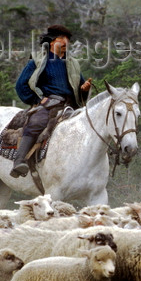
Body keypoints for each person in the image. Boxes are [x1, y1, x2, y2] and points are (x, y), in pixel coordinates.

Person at [11, 24, 92, 178]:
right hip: (49, 105)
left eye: (67, 40)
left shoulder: (72, 63)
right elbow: (21, 85)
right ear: (53, 41)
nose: (66, 43)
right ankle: (19, 161)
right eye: (62, 39)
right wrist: (37, 99)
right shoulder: (38, 60)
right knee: (36, 122)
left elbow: (79, 86)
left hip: (71, 104)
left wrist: (84, 89)